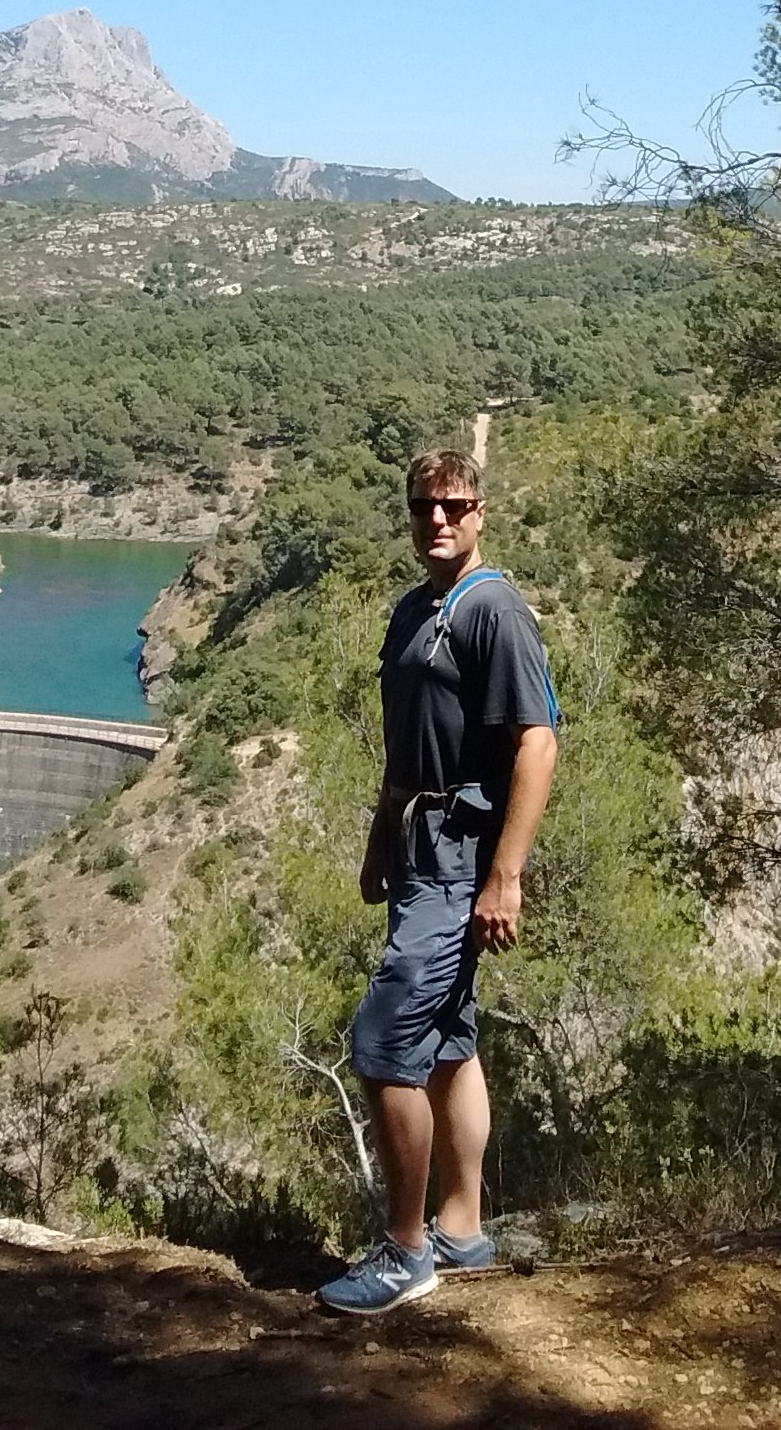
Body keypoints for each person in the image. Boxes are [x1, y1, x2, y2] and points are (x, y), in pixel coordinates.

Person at [319, 447, 558, 1315]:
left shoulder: (495, 612)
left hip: (464, 859)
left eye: (454, 506)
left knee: (384, 1043)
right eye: (424, 507)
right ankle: (461, 1230)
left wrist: (506, 876)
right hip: (419, 850)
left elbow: (537, 743)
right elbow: (403, 750)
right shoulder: (412, 611)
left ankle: (405, 1250)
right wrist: (380, 842)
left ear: (481, 511)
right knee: (450, 1042)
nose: (438, 521)